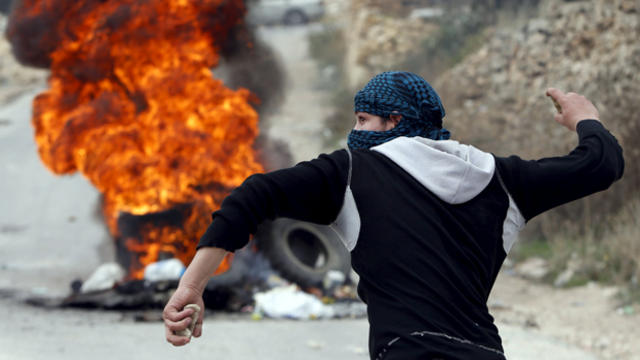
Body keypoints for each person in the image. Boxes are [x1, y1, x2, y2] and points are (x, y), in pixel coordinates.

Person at [163, 71, 624, 359]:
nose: (354, 131)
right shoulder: (503, 180)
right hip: (482, 351)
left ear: (395, 122)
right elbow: (600, 164)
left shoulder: (350, 173)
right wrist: (586, 118)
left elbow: (252, 195)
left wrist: (191, 286)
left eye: (364, 120)